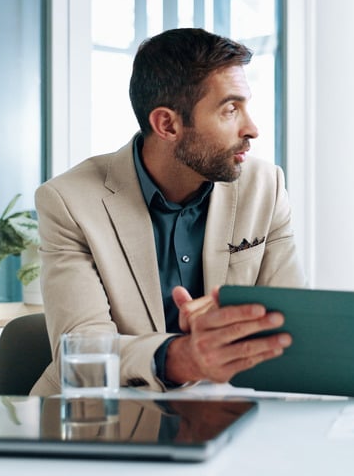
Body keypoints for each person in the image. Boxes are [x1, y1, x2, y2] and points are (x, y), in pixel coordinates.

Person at [30, 28, 305, 396]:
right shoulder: (70, 201)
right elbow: (81, 350)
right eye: (230, 109)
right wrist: (182, 357)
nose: (252, 128)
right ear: (167, 124)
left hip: (228, 408)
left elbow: (292, 329)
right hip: (102, 419)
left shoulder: (264, 186)